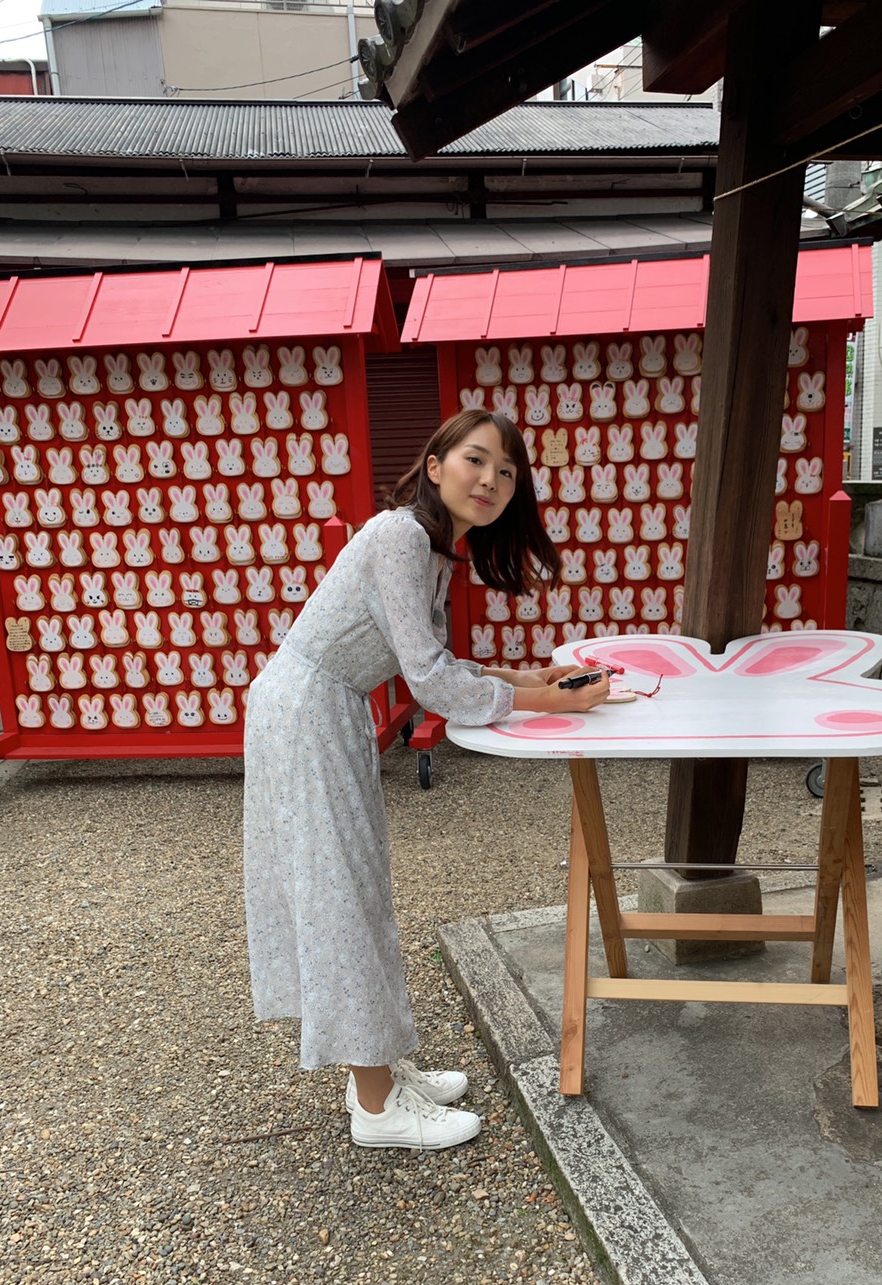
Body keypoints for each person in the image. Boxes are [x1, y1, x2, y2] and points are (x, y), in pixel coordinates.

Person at [243, 409, 610, 1151]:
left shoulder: (431, 548)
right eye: (476, 459)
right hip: (309, 712)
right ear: (435, 466)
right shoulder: (401, 536)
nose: (491, 479)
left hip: (321, 708)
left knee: (356, 887)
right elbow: (432, 680)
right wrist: (550, 702)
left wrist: (529, 679)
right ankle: (377, 1110)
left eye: (506, 472)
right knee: (342, 896)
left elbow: (433, 663)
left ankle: (376, 1073)